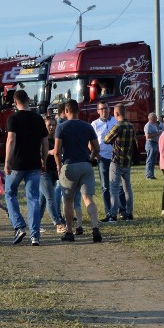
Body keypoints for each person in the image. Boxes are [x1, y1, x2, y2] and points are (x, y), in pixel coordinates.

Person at [4, 90, 49, 246]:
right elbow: (45, 142)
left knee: (9, 192)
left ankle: (19, 225)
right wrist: (43, 159)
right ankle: (35, 236)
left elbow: (11, 140)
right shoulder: (38, 119)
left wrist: (6, 162)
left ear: (15, 102)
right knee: (33, 199)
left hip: (17, 163)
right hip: (34, 164)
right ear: (28, 100)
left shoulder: (13, 118)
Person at [54, 99, 102, 243]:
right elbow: (96, 148)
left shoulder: (61, 127)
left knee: (68, 200)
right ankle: (95, 228)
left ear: (66, 111)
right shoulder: (87, 126)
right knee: (88, 199)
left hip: (69, 165)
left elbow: (57, 151)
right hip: (85, 165)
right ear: (78, 110)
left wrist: (58, 167)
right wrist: (90, 157)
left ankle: (69, 231)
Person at [103, 103, 136, 221]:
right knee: (127, 188)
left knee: (114, 188)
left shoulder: (118, 126)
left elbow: (106, 140)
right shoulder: (131, 126)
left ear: (116, 113)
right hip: (127, 161)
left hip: (116, 160)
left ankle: (112, 214)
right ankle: (129, 213)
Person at [92, 101, 120, 215]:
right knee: (105, 186)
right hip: (102, 158)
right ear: (98, 111)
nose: (104, 111)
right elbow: (90, 141)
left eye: (106, 108)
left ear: (109, 109)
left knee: (118, 185)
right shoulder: (94, 124)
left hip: (116, 157)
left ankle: (121, 210)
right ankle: (108, 211)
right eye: (101, 109)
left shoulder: (116, 122)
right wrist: (96, 155)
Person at [41, 117, 68, 232]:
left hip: (53, 172)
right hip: (43, 171)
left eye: (53, 125)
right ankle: (58, 223)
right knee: (50, 197)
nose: (51, 127)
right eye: (49, 125)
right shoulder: (41, 139)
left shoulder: (57, 139)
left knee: (41, 200)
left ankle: (35, 223)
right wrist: (50, 152)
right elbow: (39, 153)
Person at [144, 113, 161, 179]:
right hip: (150, 143)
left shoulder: (154, 125)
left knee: (153, 160)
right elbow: (147, 136)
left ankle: (152, 175)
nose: (156, 118)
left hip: (155, 143)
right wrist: (158, 133)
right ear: (151, 118)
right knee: (150, 159)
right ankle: (148, 175)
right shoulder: (148, 125)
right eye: (155, 117)